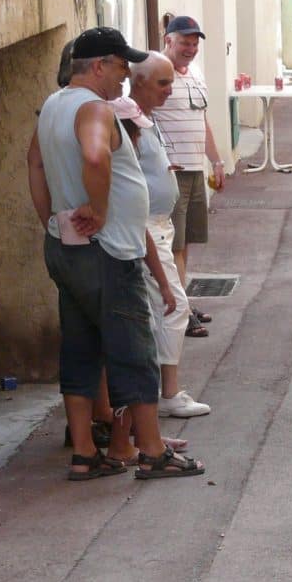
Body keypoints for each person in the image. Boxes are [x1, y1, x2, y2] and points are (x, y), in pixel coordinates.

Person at [27, 26, 205, 481]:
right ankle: (150, 449)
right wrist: (100, 209)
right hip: (108, 252)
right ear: (99, 65)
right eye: (122, 67)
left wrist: (50, 217)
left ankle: (85, 453)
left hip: (68, 247)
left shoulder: (53, 106)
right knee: (133, 349)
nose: (126, 77)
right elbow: (93, 155)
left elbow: (35, 162)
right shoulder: (93, 108)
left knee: (83, 347)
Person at [127, 52, 212, 419]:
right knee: (173, 306)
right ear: (139, 82)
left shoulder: (144, 118)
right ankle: (169, 394)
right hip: (147, 228)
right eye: (162, 83)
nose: (168, 90)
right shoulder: (127, 120)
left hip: (158, 224)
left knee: (166, 308)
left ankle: (165, 392)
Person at [149, 15, 226, 338]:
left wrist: (217, 160)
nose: (190, 49)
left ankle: (184, 302)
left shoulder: (195, 73)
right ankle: (181, 313)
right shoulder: (156, 74)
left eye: (194, 44)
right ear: (168, 40)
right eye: (184, 42)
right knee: (174, 246)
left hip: (196, 169)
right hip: (173, 173)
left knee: (187, 242)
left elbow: (201, 120)